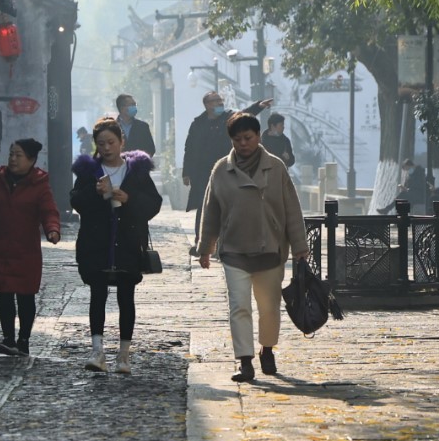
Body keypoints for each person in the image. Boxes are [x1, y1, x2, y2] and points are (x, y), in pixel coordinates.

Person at [196, 112, 310, 383]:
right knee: (239, 307)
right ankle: (244, 361)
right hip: (234, 250)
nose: (243, 144)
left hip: (270, 250)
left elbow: (291, 209)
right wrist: (205, 247)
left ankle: (267, 349)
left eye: (248, 138)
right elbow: (210, 210)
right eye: (237, 139)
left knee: (269, 307)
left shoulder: (276, 167)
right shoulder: (221, 170)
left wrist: (300, 247)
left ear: (258, 137)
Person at [71, 117, 163, 374]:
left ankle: (124, 355)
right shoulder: (89, 171)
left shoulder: (136, 171)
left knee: (126, 296)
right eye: (101, 144)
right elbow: (76, 200)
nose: (107, 148)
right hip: (96, 242)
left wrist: (129, 198)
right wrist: (96, 194)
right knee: (97, 294)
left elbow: (153, 203)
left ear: (122, 142)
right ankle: (97, 350)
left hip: (128, 242)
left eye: (111, 142)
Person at [0, 138, 62, 356]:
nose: (13, 159)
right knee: (4, 296)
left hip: (26, 252)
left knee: (26, 297)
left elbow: (49, 211)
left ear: (31, 160)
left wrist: (52, 229)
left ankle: (23, 339)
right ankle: (8, 338)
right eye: (11, 154)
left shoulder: (40, 186)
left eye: (19, 155)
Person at [183, 91, 273, 250]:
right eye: (215, 101)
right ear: (207, 105)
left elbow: (245, 114)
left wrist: (258, 106)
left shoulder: (229, 117)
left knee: (228, 204)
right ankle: (201, 242)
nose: (220, 103)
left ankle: (226, 242)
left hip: (228, 167)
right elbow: (189, 148)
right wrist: (187, 172)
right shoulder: (198, 123)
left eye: (220, 100)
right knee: (205, 205)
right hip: (203, 171)